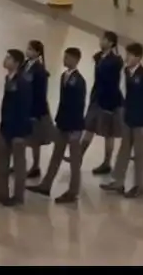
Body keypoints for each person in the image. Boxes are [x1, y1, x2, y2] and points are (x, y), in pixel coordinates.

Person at [29, 47, 86, 204]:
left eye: (67, 57)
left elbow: (79, 105)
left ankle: (73, 191)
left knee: (74, 161)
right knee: (56, 156)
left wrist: (75, 128)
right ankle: (46, 184)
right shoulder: (64, 76)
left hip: (73, 126)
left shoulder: (79, 81)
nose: (64, 60)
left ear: (75, 60)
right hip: (62, 123)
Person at [101, 43, 143, 198]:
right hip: (129, 117)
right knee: (124, 150)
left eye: (130, 55)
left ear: (138, 58)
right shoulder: (127, 71)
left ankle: (139, 186)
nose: (127, 58)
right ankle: (118, 182)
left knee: (139, 155)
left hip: (141, 121)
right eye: (127, 54)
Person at [0, 50, 32, 207]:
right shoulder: (9, 78)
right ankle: (2, 191)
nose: (5, 60)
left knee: (18, 165)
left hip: (18, 130)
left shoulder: (23, 82)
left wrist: (20, 132)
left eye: (9, 58)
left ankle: (18, 196)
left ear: (16, 63)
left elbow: (25, 108)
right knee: (2, 162)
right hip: (6, 127)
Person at [79, 31, 124, 175]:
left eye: (103, 39)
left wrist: (109, 106)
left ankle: (106, 162)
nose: (100, 41)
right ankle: (78, 156)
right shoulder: (99, 57)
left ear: (110, 43)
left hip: (109, 101)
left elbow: (113, 84)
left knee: (108, 133)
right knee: (89, 127)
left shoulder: (115, 61)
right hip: (97, 98)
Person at [23, 40, 52, 178]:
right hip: (24, 107)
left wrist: (35, 113)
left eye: (30, 49)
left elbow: (41, 94)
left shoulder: (39, 71)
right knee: (21, 138)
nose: (27, 51)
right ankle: (19, 163)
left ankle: (36, 166)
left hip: (34, 110)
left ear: (37, 52)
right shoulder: (25, 65)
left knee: (35, 141)